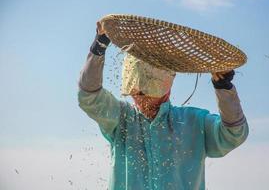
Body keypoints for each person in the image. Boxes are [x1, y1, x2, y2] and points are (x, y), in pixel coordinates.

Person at [78, 20, 249, 190]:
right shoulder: (121, 118)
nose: (141, 100)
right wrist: (98, 48)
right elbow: (89, 96)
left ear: (167, 89)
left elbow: (233, 134)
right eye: (136, 94)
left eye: (147, 93)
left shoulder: (194, 123)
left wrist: (223, 88)